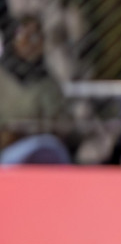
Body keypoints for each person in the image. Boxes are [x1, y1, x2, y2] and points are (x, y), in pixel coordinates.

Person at [0, 16, 71, 165]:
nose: (29, 43)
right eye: (22, 35)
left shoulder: (48, 83)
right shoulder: (3, 78)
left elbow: (61, 124)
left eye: (35, 37)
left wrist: (35, 130)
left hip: (41, 153)